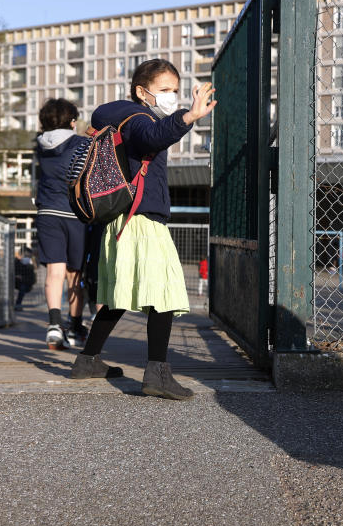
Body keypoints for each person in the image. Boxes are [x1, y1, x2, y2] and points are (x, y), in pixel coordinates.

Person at [70, 59, 216, 401]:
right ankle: (158, 374)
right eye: (165, 90)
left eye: (176, 91)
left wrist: (180, 116)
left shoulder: (120, 119)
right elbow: (154, 136)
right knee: (163, 291)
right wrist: (189, 116)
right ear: (142, 91)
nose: (172, 96)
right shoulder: (139, 119)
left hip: (121, 220)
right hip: (142, 220)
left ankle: (87, 361)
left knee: (120, 295)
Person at [34, 98, 89, 349]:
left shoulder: (39, 145)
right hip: (74, 213)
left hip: (47, 212)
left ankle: (54, 325)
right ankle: (75, 326)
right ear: (72, 121)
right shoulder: (81, 142)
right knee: (74, 274)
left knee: (54, 271)